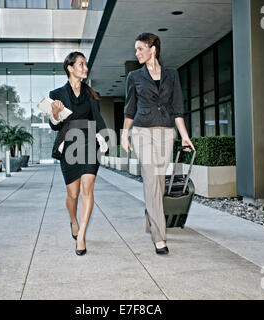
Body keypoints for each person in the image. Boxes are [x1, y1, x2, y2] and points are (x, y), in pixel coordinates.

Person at [121, 33, 195, 255]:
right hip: (142, 132)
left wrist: (184, 135)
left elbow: (177, 109)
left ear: (152, 49)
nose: (137, 53)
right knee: (151, 179)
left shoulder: (172, 75)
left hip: (166, 132)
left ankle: (151, 222)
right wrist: (124, 134)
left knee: (159, 183)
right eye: (135, 50)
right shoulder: (134, 76)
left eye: (140, 49)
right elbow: (130, 109)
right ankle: (159, 237)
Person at [49, 51, 107, 256]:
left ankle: (81, 235)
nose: (85, 68)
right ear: (70, 68)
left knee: (87, 188)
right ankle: (73, 221)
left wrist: (103, 138)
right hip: (70, 147)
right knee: (72, 194)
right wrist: (55, 113)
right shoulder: (56, 94)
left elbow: (97, 119)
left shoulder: (91, 94)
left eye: (85, 64)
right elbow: (55, 125)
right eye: (80, 64)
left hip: (90, 143)